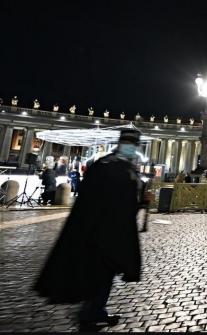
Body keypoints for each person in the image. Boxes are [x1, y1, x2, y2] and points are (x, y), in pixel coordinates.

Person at [34, 128, 144, 329]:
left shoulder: (106, 164)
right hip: (107, 230)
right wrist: (141, 201)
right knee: (103, 273)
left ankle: (93, 310)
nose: (132, 149)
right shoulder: (118, 168)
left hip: (98, 228)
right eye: (131, 145)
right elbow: (121, 201)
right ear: (125, 145)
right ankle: (91, 313)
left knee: (102, 272)